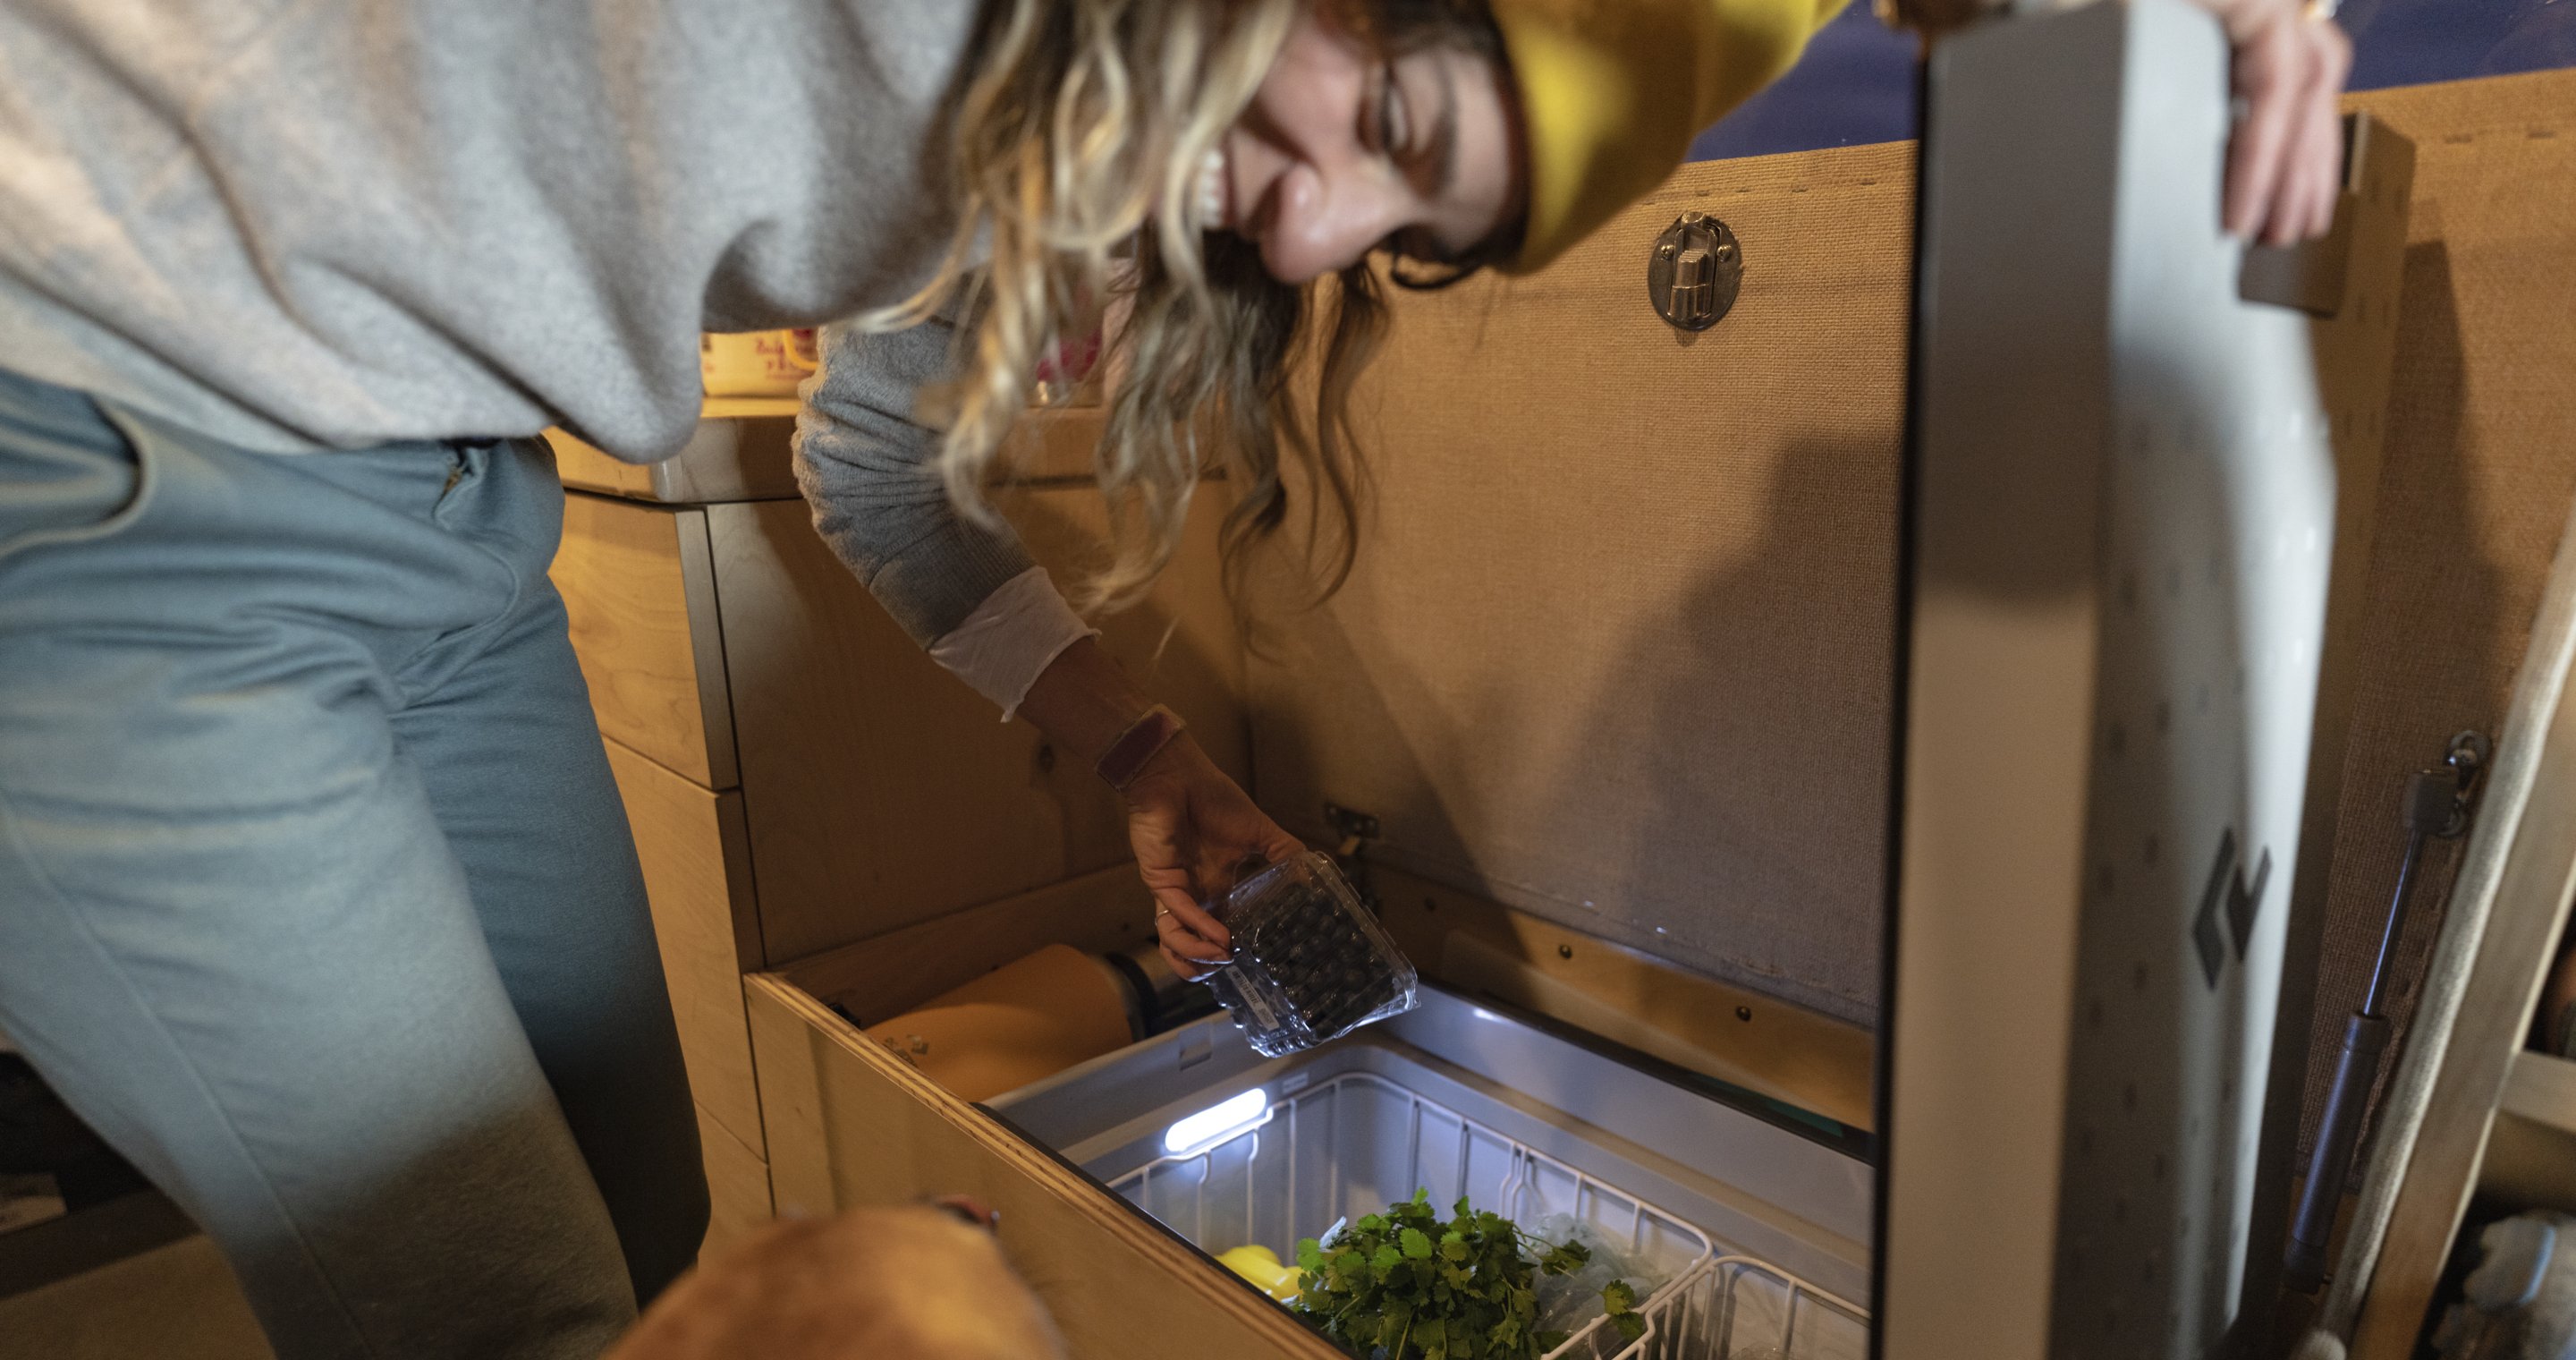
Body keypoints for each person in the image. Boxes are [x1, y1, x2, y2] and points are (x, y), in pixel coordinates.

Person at [0, 0, 2348, 1356]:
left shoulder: (1073, 136)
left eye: (1405, 238)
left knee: (637, 1245)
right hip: (83, 427)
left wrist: (1139, 751)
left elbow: (875, 458)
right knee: (497, 1327)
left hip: (437, 489)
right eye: (1393, 130)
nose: (1310, 227)